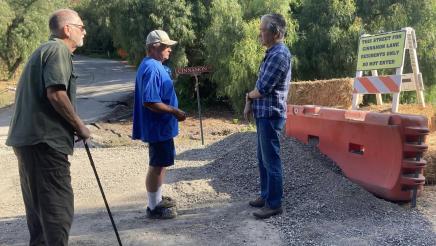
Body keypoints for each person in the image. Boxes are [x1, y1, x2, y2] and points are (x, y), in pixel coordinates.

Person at [6, 9, 90, 245]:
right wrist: (79, 125)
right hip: (44, 143)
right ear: (67, 29)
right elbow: (56, 94)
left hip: (31, 143)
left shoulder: (43, 50)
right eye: (81, 27)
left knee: (40, 216)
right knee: (57, 211)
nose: (84, 32)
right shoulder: (58, 49)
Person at [132, 30, 186, 219]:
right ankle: (153, 206)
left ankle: (157, 199)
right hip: (158, 127)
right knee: (157, 165)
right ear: (155, 47)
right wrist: (174, 111)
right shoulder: (152, 67)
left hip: (161, 127)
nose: (169, 49)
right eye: (166, 46)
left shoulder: (153, 65)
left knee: (161, 163)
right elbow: (150, 101)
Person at [244, 13, 292, 219]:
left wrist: (248, 96)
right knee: (263, 158)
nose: (260, 34)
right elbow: (261, 85)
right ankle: (266, 196)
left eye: (263, 30)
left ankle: (274, 203)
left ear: (276, 32)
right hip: (265, 114)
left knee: (271, 160)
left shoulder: (279, 54)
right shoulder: (272, 53)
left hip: (271, 115)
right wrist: (250, 100)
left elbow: (262, 88)